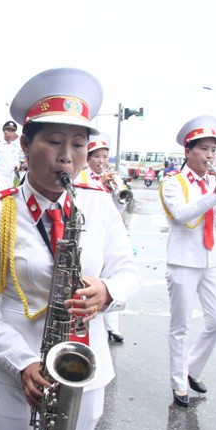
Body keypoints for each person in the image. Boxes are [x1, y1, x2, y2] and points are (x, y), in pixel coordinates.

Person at [0, 68, 140, 430]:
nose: (67, 157)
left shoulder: (98, 204)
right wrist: (20, 361)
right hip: (19, 373)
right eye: (54, 142)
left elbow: (128, 272)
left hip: (84, 373)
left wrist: (108, 290)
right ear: (25, 144)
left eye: (78, 144)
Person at [160, 115, 216, 408]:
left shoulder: (214, 182)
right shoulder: (173, 182)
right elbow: (181, 215)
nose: (209, 156)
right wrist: (215, 195)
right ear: (188, 151)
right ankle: (179, 383)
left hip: (211, 259)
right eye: (203, 149)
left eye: (213, 150)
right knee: (180, 326)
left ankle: (191, 368)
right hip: (182, 261)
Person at [83, 131, 130, 343]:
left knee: (112, 280)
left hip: (109, 232)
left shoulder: (114, 178)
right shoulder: (81, 178)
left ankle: (113, 327)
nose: (101, 161)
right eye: (97, 156)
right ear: (88, 158)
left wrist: (117, 195)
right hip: (90, 234)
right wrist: (99, 186)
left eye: (105, 156)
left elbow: (119, 208)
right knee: (93, 279)